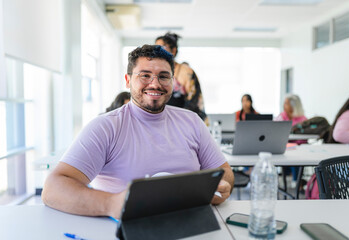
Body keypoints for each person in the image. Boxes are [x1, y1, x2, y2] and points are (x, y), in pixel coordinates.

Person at [41, 45, 234, 219]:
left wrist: (218, 188)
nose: (155, 84)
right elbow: (53, 189)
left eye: (164, 76)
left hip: (190, 223)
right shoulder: (105, 127)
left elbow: (225, 172)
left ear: (172, 82)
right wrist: (111, 204)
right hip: (126, 226)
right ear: (128, 80)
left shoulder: (192, 121)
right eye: (145, 75)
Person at [155, 32, 208, 124]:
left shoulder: (186, 72)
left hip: (183, 121)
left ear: (173, 50)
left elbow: (195, 102)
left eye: (162, 47)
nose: (157, 51)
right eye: (155, 48)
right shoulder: (153, 71)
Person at [275, 94, 307, 187]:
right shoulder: (281, 116)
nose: (284, 105)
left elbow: (304, 138)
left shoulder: (302, 119)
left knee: (296, 155)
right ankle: (295, 179)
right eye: (284, 103)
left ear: (294, 105)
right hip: (283, 146)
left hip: (297, 148)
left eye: (286, 103)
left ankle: (296, 180)